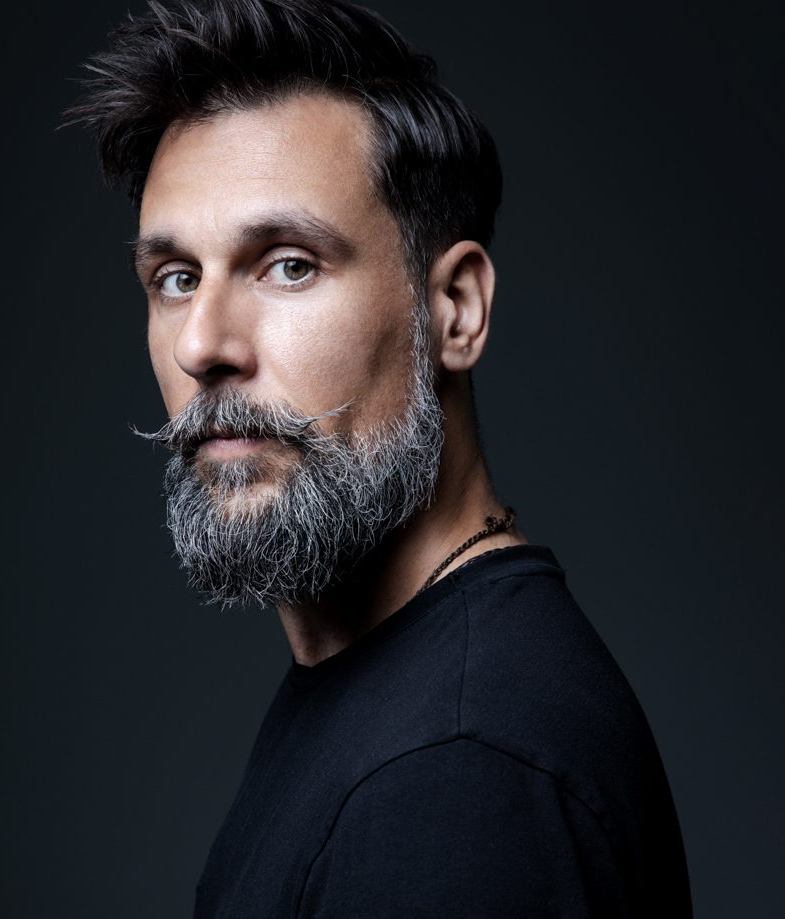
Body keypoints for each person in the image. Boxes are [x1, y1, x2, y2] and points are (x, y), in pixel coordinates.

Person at [68, 0, 691, 914]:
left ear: (455, 310)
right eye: (175, 278)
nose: (202, 343)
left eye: (288, 263)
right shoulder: (392, 692)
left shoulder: (455, 775)